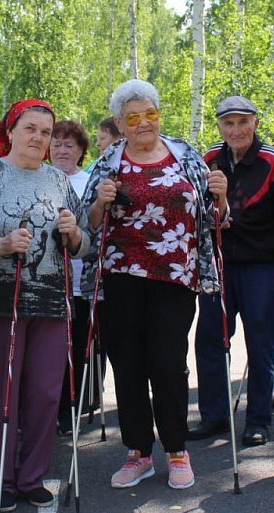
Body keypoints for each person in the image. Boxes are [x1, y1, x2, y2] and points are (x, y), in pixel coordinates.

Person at [82, 79, 227, 489]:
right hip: (120, 277)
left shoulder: (184, 156)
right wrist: (100, 203)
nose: (144, 123)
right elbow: (87, 226)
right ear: (119, 123)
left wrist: (224, 194)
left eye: (151, 114)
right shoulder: (108, 162)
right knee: (127, 365)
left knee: (167, 364)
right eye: (133, 117)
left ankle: (177, 450)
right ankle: (138, 453)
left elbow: (216, 216)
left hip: (175, 277)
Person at [0, 99, 90, 511]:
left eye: (46, 132)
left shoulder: (59, 181)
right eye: (30, 129)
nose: (39, 138)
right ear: (12, 131)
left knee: (44, 392)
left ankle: (32, 477)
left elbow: (84, 243)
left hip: (52, 302)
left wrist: (73, 234)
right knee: (3, 391)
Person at [191, 96, 274, 447]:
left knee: (261, 342)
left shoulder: (272, 160)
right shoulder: (209, 159)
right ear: (220, 127)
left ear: (255, 123)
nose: (236, 130)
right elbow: (194, 213)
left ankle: (258, 420)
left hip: (262, 266)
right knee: (210, 339)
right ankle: (214, 416)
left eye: (243, 122)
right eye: (228, 123)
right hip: (219, 266)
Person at [49, 119, 97, 435]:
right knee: (48, 349)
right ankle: (44, 408)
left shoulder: (88, 182)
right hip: (46, 282)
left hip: (80, 281)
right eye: (57, 144)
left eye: (70, 145)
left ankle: (71, 409)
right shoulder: (39, 178)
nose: (62, 150)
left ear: (81, 151)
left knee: (76, 347)